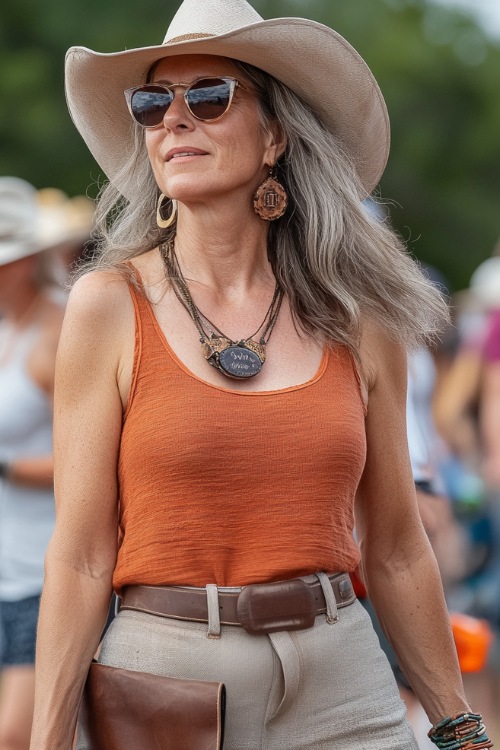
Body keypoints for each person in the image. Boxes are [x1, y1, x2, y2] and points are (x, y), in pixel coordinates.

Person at [30, 1, 494, 748]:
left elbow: (398, 546)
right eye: (153, 103)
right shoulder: (108, 305)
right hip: (166, 679)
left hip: (344, 676)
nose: (173, 120)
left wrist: (460, 727)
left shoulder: (358, 316)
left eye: (207, 96)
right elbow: (82, 555)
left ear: (275, 135)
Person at [0, 177, 66, 750]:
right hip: (5, 564)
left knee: (16, 735)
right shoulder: (7, 328)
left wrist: (5, 469)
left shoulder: (60, 329)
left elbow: (95, 458)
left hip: (41, 571)